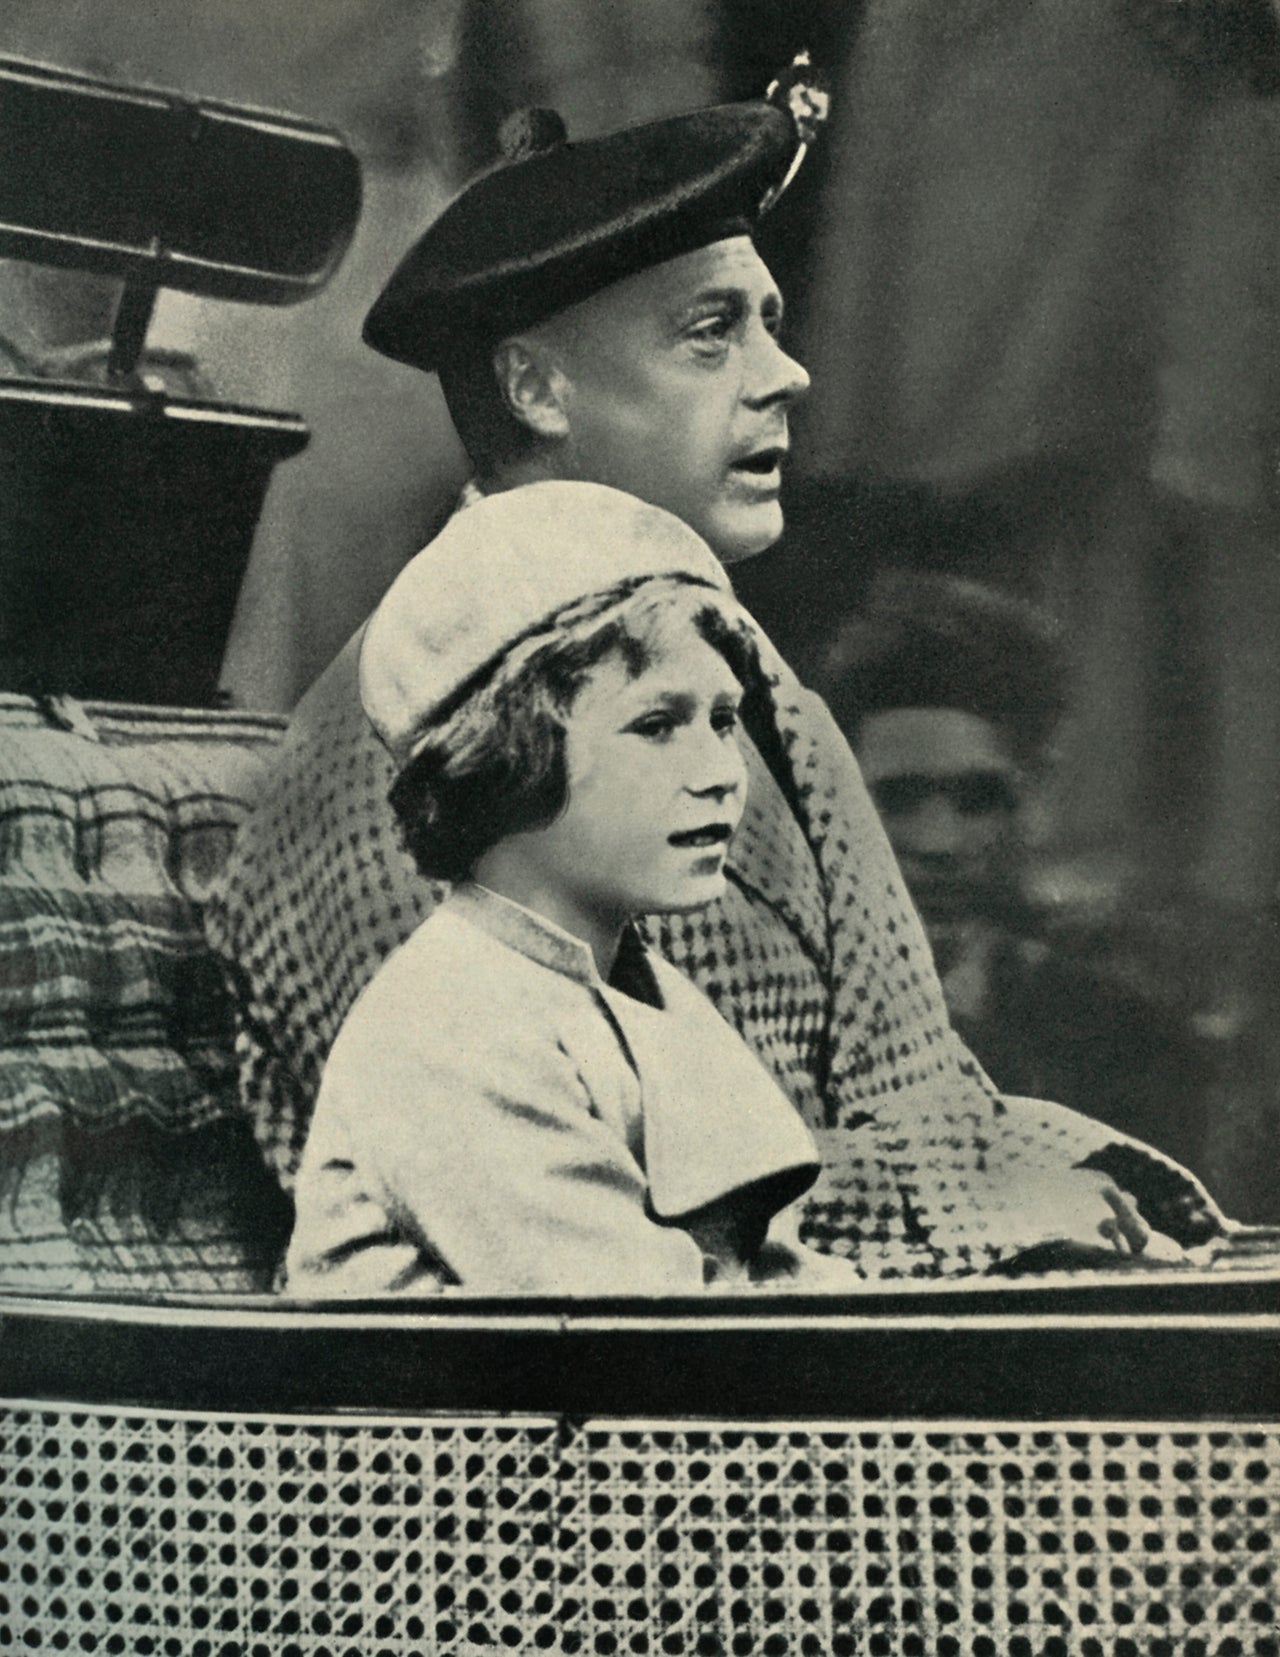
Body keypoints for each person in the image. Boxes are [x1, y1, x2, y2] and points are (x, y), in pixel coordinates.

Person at [209, 68, 1225, 1281]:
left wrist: (1042, 1191)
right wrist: (968, 1209)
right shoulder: (405, 741)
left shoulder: (745, 694)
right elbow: (588, 1218)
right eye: (709, 333)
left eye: (771, 323)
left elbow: (924, 1092)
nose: (783, 375)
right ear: (536, 386)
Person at [286, 482, 857, 1296]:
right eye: (657, 725)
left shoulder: (637, 988)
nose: (722, 775)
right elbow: (635, 1334)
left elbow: (766, 1273)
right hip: (462, 1420)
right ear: (506, 756)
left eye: (723, 721)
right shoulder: (448, 1026)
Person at [820, 568, 1217, 1182]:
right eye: (897, 798)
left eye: (980, 798)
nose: (940, 841)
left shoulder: (1127, 1038)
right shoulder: (763, 1026)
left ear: (1028, 801)